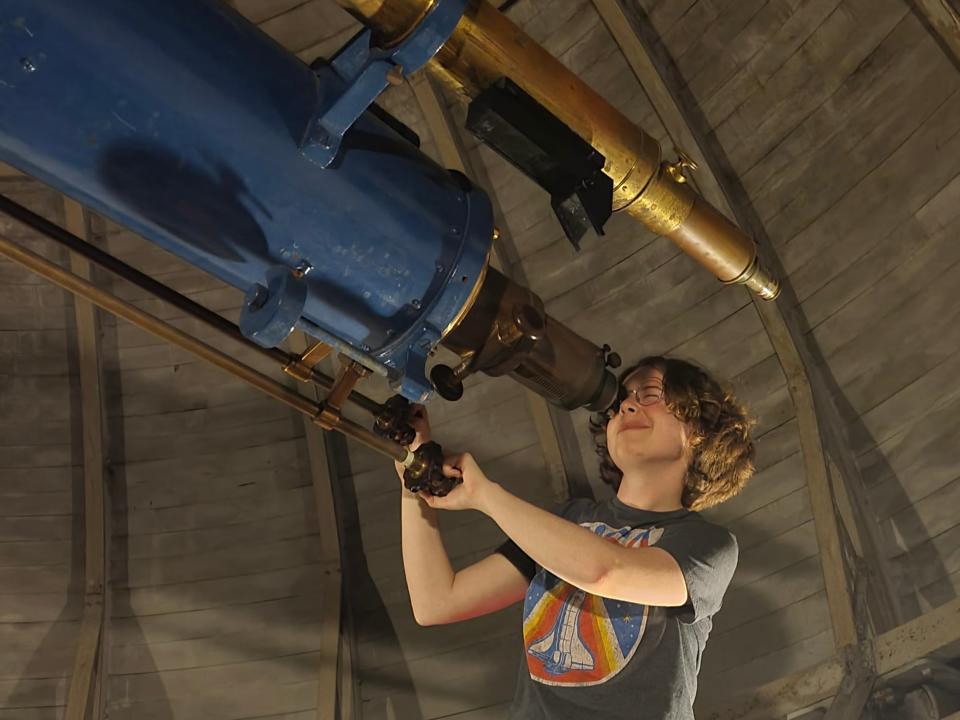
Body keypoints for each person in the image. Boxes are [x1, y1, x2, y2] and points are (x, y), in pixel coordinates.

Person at [395, 356, 756, 719]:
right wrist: (414, 476)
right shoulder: (567, 521)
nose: (626, 405)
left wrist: (485, 495)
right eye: (619, 403)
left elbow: (607, 572)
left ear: (699, 430)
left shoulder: (706, 544)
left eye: (649, 394)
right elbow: (437, 602)